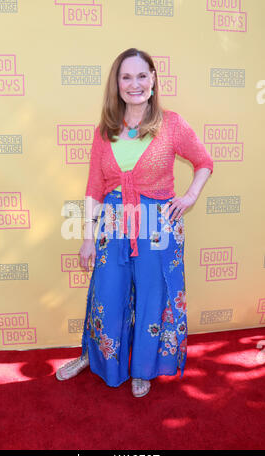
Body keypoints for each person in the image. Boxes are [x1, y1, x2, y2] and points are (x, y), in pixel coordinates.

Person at [56, 48, 213, 397]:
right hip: (113, 225)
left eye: (142, 75)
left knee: (152, 297)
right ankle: (97, 358)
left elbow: (204, 161)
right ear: (117, 84)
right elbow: (94, 188)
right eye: (126, 77)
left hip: (158, 229)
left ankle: (143, 368)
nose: (134, 84)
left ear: (154, 79)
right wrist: (87, 237)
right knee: (106, 293)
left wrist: (189, 197)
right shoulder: (105, 130)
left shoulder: (172, 124)